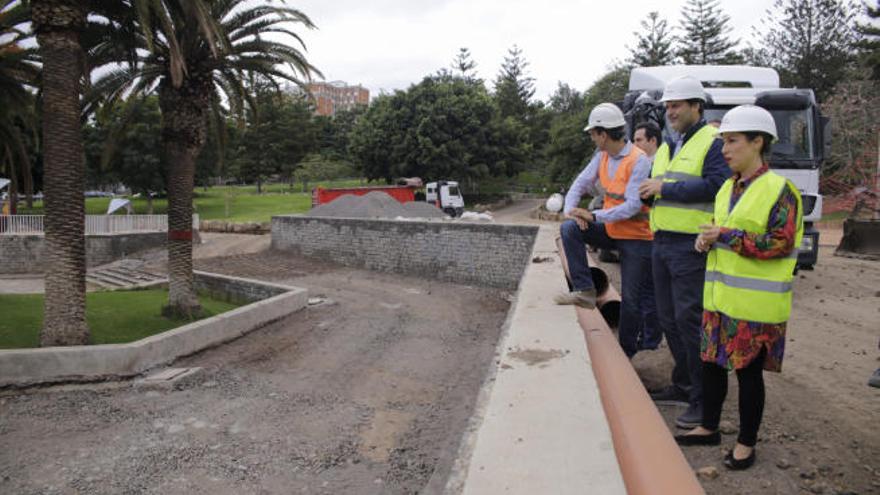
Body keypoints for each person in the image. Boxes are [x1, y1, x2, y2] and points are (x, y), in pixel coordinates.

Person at [674, 105, 803, 471]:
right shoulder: (728, 187)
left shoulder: (780, 190)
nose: (725, 149)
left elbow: (780, 241)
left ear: (757, 142)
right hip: (719, 299)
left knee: (748, 376)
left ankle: (747, 443)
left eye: (732, 141)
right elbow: (721, 227)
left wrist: (725, 236)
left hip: (755, 307)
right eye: (723, 142)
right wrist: (707, 240)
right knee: (712, 365)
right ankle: (709, 427)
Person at [638, 76, 731, 428]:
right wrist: (650, 194)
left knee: (691, 322)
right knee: (669, 319)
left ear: (697, 106)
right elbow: (662, 187)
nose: (671, 111)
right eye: (668, 106)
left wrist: (666, 187)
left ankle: (702, 399)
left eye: (677, 105)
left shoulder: (712, 142)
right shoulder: (667, 146)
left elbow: (718, 185)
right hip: (662, 242)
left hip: (689, 246)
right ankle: (684, 383)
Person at [556, 102, 656, 358]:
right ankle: (586, 291)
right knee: (569, 229)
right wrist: (572, 212)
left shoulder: (638, 160)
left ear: (602, 133)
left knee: (631, 300)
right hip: (611, 230)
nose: (591, 137)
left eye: (592, 133)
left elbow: (633, 206)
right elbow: (580, 183)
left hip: (636, 238)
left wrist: (593, 215)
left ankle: (626, 353)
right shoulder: (601, 156)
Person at [632, 121, 663, 350]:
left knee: (649, 294)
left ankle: (650, 341)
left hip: (653, 238)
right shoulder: (641, 165)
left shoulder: (658, 166)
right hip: (642, 237)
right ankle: (645, 337)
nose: (635, 145)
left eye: (639, 140)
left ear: (653, 141)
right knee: (643, 292)